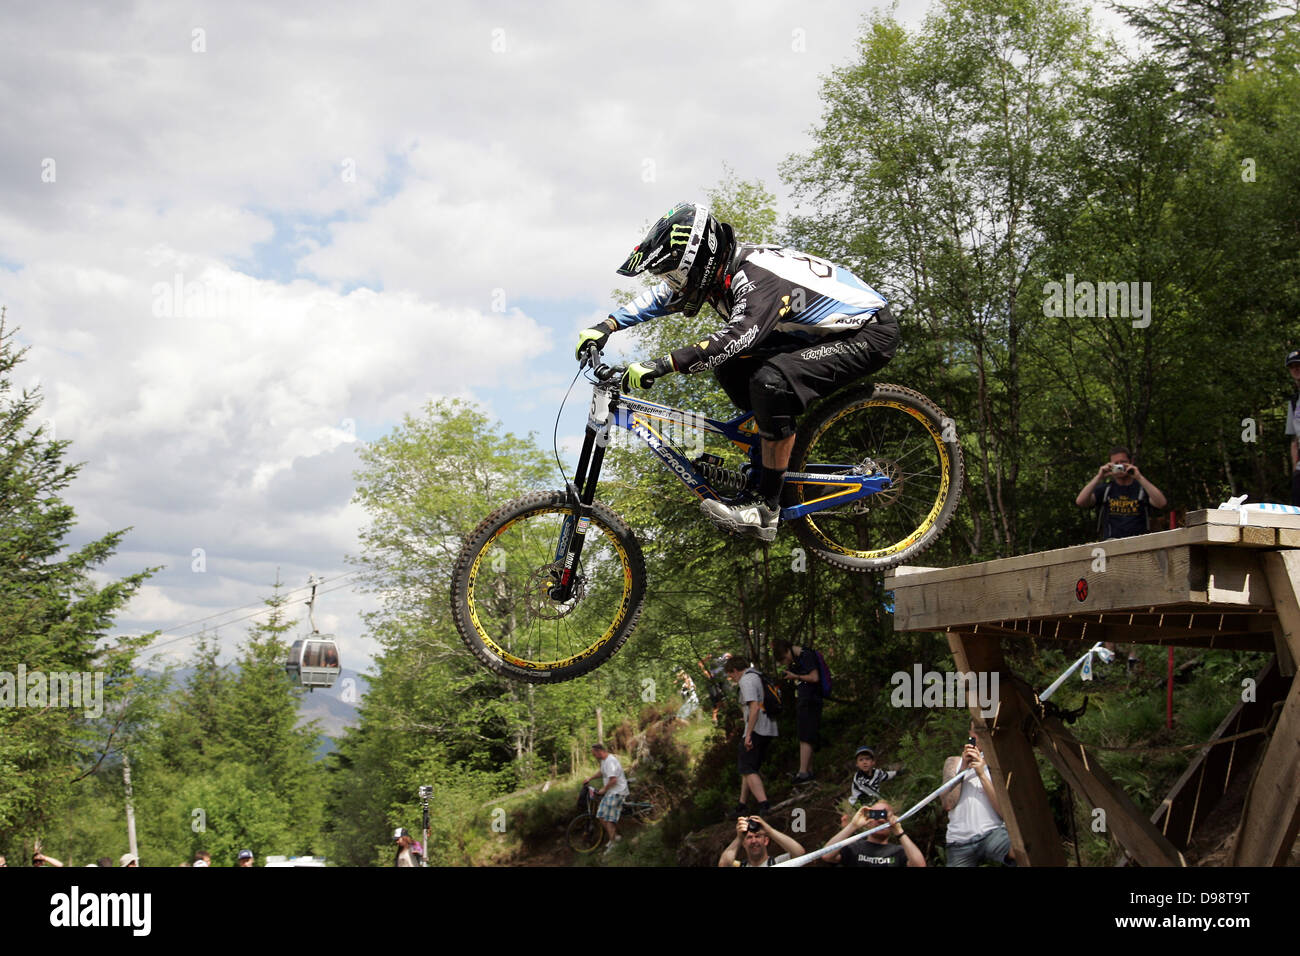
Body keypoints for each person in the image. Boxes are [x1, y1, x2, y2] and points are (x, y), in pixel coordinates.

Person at [576, 202, 899, 541]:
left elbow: (735, 338)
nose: (673, 285)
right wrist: (607, 325)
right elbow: (659, 299)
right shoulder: (720, 274)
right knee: (735, 370)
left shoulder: (756, 280)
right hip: (816, 335)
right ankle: (772, 457)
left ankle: (765, 509)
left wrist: (662, 364)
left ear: (699, 263)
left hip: (866, 333)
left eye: (675, 276)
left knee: (769, 382)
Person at [941, 721, 1015, 866]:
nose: (977, 735)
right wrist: (962, 769)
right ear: (970, 735)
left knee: (1021, 850)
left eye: (981, 731)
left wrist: (981, 774)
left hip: (992, 833)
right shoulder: (953, 762)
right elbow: (948, 804)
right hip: (959, 841)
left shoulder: (999, 766)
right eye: (974, 732)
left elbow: (1003, 812)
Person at [1074, 445, 1167, 540]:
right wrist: (1099, 477)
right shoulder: (1106, 489)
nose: (1120, 466)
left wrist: (1139, 477)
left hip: (1139, 543)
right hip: (1111, 544)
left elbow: (1161, 503)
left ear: (1131, 462)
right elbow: (1080, 501)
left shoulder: (1142, 489)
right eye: (1116, 464)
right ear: (1111, 466)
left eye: (1123, 462)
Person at [723, 653, 776, 817]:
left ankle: (764, 805)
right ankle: (742, 804)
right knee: (747, 768)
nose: (731, 678)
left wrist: (748, 735)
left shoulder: (746, 681)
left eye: (730, 674)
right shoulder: (757, 675)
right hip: (768, 726)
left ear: (735, 670)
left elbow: (754, 708)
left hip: (756, 729)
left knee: (747, 768)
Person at [774, 638, 821, 783]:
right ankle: (808, 770)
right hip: (805, 700)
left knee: (805, 736)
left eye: (784, 658)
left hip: (810, 701)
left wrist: (796, 676)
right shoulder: (799, 659)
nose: (785, 661)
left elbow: (814, 677)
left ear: (788, 651)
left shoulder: (806, 655)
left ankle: (803, 772)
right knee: (805, 735)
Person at [822, 801, 926, 867]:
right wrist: (853, 826)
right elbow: (827, 855)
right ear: (868, 820)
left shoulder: (899, 851)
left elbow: (920, 865)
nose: (880, 820)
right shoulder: (853, 848)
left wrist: (899, 831)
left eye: (885, 816)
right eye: (876, 814)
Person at [582, 743, 629, 854]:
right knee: (600, 815)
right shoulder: (604, 761)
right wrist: (590, 778)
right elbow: (602, 772)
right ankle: (615, 837)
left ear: (600, 751)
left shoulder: (610, 761)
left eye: (594, 754)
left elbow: (613, 780)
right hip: (611, 792)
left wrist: (603, 789)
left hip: (618, 792)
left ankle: (614, 844)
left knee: (608, 818)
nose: (594, 756)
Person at [718, 815, 806, 867]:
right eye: (749, 837)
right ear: (743, 843)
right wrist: (739, 838)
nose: (753, 841)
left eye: (757, 836)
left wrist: (770, 831)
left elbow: (799, 853)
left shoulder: (777, 862)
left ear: (766, 841)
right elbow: (723, 864)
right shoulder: (739, 865)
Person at [1284, 350, 1300, 505]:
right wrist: (1295, 469)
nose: (1296, 369)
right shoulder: (1294, 401)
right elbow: (1294, 439)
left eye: (1299, 365)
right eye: (1292, 366)